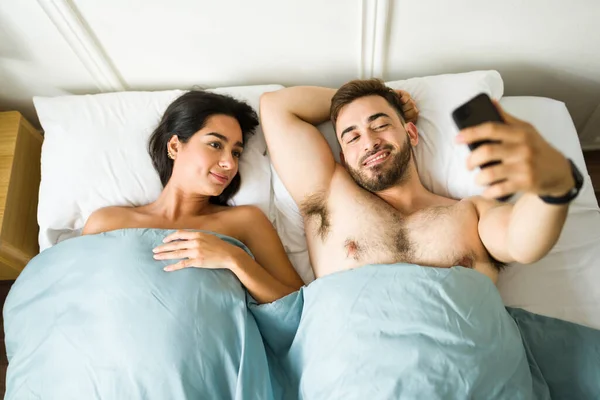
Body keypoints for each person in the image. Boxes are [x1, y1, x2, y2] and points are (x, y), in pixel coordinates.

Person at [259, 79, 580, 283]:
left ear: (410, 132)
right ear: (343, 157)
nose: (369, 142)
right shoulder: (328, 196)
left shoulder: (471, 213)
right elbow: (275, 106)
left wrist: (554, 188)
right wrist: (382, 100)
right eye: (352, 136)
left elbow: (521, 242)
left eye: (380, 124)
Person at [84, 90, 304, 303]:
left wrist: (235, 259)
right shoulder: (108, 223)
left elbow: (299, 307)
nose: (229, 163)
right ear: (174, 146)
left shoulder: (245, 222)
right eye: (215, 145)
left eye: (236, 153)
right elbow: (74, 297)